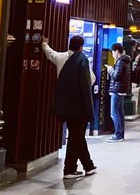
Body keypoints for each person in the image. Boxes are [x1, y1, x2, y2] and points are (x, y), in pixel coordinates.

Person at [42, 35, 97, 180]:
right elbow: (90, 80)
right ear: (81, 47)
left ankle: (88, 166)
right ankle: (69, 170)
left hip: (64, 105)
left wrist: (44, 44)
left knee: (76, 136)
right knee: (76, 137)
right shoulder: (82, 60)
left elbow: (50, 53)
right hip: (79, 106)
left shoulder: (61, 58)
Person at [107, 42, 131, 142]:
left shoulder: (120, 61)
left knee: (114, 113)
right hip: (121, 89)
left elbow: (116, 76)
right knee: (120, 113)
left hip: (117, 90)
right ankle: (120, 134)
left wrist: (110, 70)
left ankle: (118, 135)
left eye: (113, 52)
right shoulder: (125, 60)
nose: (112, 54)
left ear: (117, 51)